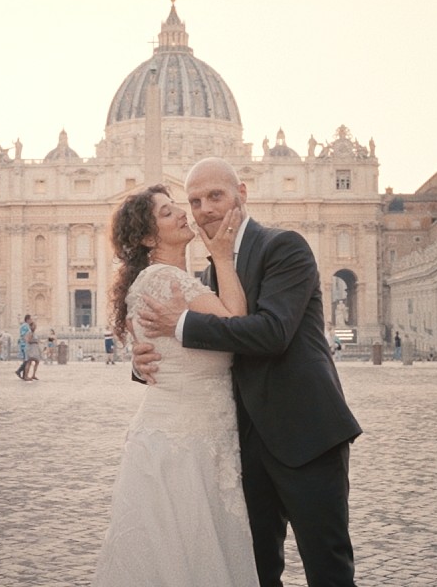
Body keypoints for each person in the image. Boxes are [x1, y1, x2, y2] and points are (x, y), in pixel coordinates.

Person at [133, 158, 362, 587]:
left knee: (327, 569)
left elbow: (273, 332)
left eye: (215, 196)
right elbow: (201, 349)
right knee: (254, 572)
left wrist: (180, 325)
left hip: (304, 437)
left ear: (242, 192)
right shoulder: (205, 275)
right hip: (242, 447)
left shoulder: (285, 247)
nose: (204, 209)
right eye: (195, 201)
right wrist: (143, 357)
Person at [93, 183, 255, 586]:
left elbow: (160, 351)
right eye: (167, 212)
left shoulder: (170, 280)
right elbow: (235, 324)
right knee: (191, 546)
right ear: (148, 237)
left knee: (178, 550)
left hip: (186, 430)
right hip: (187, 436)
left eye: (175, 206)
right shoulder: (165, 278)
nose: (183, 213)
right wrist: (220, 254)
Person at [16, 315, 33, 379]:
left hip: (23, 344)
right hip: (24, 344)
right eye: (31, 319)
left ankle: (23, 375)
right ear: (28, 319)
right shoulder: (25, 326)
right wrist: (28, 341)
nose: (32, 320)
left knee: (26, 359)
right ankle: (19, 371)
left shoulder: (25, 325)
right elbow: (24, 335)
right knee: (27, 359)